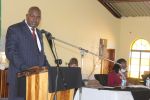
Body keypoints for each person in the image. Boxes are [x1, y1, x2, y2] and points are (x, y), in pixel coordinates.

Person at [5, 6, 50, 100]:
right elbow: (10, 52)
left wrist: (50, 70)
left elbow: (41, 54)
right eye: (32, 16)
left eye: (38, 17)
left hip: (37, 81)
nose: (35, 19)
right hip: (19, 79)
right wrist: (26, 68)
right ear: (27, 16)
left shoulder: (39, 33)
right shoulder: (14, 29)